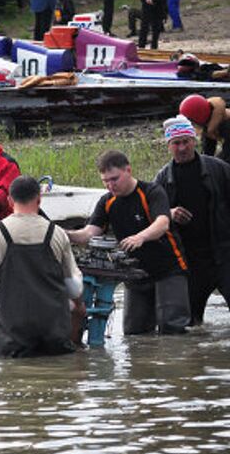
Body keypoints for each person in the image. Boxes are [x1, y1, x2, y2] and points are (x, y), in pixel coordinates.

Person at [66, 150, 190, 335]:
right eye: (105, 181)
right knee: (134, 333)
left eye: (114, 179)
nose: (110, 185)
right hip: (134, 273)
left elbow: (162, 223)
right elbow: (89, 233)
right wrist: (65, 234)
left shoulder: (152, 191)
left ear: (128, 170)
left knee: (172, 329)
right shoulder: (107, 201)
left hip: (169, 269)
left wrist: (140, 237)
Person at [0, 176, 85, 358]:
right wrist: (79, 307)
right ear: (39, 200)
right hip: (54, 330)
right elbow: (73, 285)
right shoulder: (57, 233)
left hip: (15, 333)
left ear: (9, 201)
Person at [154, 116, 230, 325]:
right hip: (191, 261)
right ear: (168, 146)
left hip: (224, 254)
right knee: (191, 325)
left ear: (194, 140)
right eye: (176, 143)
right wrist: (169, 213)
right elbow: (151, 216)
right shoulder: (162, 178)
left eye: (186, 141)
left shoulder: (218, 168)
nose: (182, 147)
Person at [179, 95, 230, 164]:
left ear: (199, 117)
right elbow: (207, 153)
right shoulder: (210, 125)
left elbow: (226, 158)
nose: (192, 124)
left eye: (192, 121)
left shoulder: (225, 125)